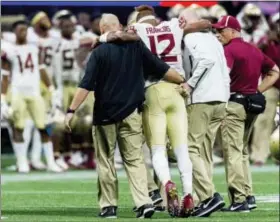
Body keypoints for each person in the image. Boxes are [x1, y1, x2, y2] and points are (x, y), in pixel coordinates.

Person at [64, 13, 186, 219]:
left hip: (105, 114)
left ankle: (109, 206)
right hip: (132, 112)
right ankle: (144, 202)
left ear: (102, 29)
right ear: (119, 26)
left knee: (106, 161)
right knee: (135, 160)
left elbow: (85, 85)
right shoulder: (137, 47)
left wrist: (71, 111)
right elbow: (162, 69)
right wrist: (182, 80)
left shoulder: (99, 52)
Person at [213, 15, 279, 212]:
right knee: (241, 152)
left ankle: (239, 200)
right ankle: (248, 195)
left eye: (221, 30)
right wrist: (258, 89)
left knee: (232, 152)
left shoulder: (229, 50)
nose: (218, 34)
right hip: (252, 104)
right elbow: (275, 71)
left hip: (234, 104)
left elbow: (223, 77)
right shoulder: (254, 49)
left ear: (233, 31)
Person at [179, 9, 230, 217]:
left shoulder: (191, 37)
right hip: (220, 99)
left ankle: (210, 196)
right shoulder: (214, 39)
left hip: (203, 99)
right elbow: (224, 68)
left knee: (190, 148)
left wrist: (189, 85)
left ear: (184, 20)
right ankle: (203, 199)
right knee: (203, 151)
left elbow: (205, 62)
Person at [1, 20, 62, 173]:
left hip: (34, 92)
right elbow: (5, 76)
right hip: (17, 92)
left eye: (25, 30)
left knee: (44, 126)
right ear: (14, 32)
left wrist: (52, 89)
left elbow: (42, 69)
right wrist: (2, 99)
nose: (23, 33)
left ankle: (50, 162)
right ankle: (22, 162)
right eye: (20, 30)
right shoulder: (9, 50)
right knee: (18, 127)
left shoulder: (34, 48)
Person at [251, 12, 280, 165]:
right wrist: (267, 40)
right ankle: (259, 156)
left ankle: (277, 156)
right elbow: (252, 53)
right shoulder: (266, 40)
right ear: (273, 25)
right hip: (270, 85)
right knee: (263, 121)